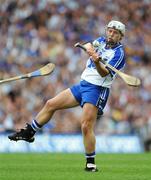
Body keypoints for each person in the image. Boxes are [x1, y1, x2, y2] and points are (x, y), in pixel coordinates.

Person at [8, 20, 126, 172]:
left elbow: (103, 72)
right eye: (109, 30)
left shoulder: (119, 54)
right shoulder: (102, 41)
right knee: (51, 104)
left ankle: (91, 164)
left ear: (120, 36)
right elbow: (90, 44)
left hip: (97, 89)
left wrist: (97, 61)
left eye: (115, 33)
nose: (111, 34)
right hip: (83, 84)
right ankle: (29, 132)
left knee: (85, 125)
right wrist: (90, 48)